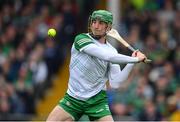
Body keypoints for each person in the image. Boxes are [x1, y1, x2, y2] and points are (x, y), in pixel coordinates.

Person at [46, 10, 147, 121]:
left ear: (108, 27)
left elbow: (116, 83)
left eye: (100, 23)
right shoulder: (81, 39)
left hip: (97, 100)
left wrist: (130, 63)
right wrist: (135, 59)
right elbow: (106, 56)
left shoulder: (111, 50)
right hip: (73, 98)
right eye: (94, 22)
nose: (96, 26)